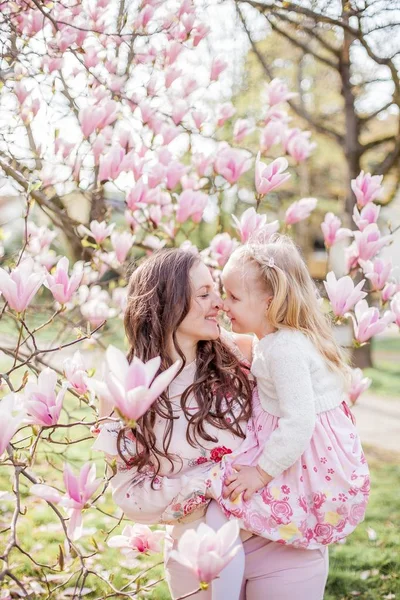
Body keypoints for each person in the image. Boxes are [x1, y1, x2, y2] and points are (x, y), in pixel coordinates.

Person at [93, 247, 330, 600]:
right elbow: (127, 494)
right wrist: (208, 483)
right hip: (196, 553)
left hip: (282, 542)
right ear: (167, 303)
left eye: (217, 291)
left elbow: (307, 417)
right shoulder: (123, 388)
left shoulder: (248, 354)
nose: (219, 303)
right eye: (204, 294)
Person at [165, 235, 369, 600]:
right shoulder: (275, 341)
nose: (223, 305)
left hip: (299, 450)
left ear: (269, 302)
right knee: (226, 502)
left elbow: (299, 423)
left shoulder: (285, 350)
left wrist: (260, 473)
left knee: (225, 500)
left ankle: (222, 591)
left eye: (232, 297)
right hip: (293, 446)